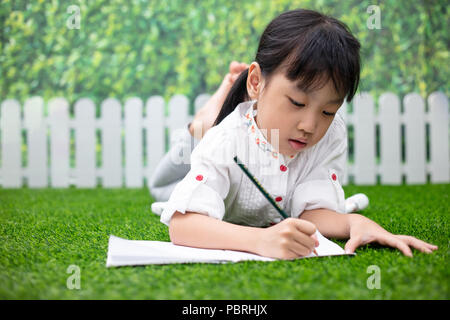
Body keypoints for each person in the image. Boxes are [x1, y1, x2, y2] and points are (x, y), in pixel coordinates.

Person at [151, 9, 438, 259]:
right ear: (255, 82)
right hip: (194, 166)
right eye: (297, 103)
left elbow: (310, 212)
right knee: (165, 185)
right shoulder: (225, 140)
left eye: (327, 111)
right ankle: (203, 120)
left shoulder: (330, 134)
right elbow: (182, 225)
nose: (310, 126)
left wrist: (354, 222)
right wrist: (260, 240)